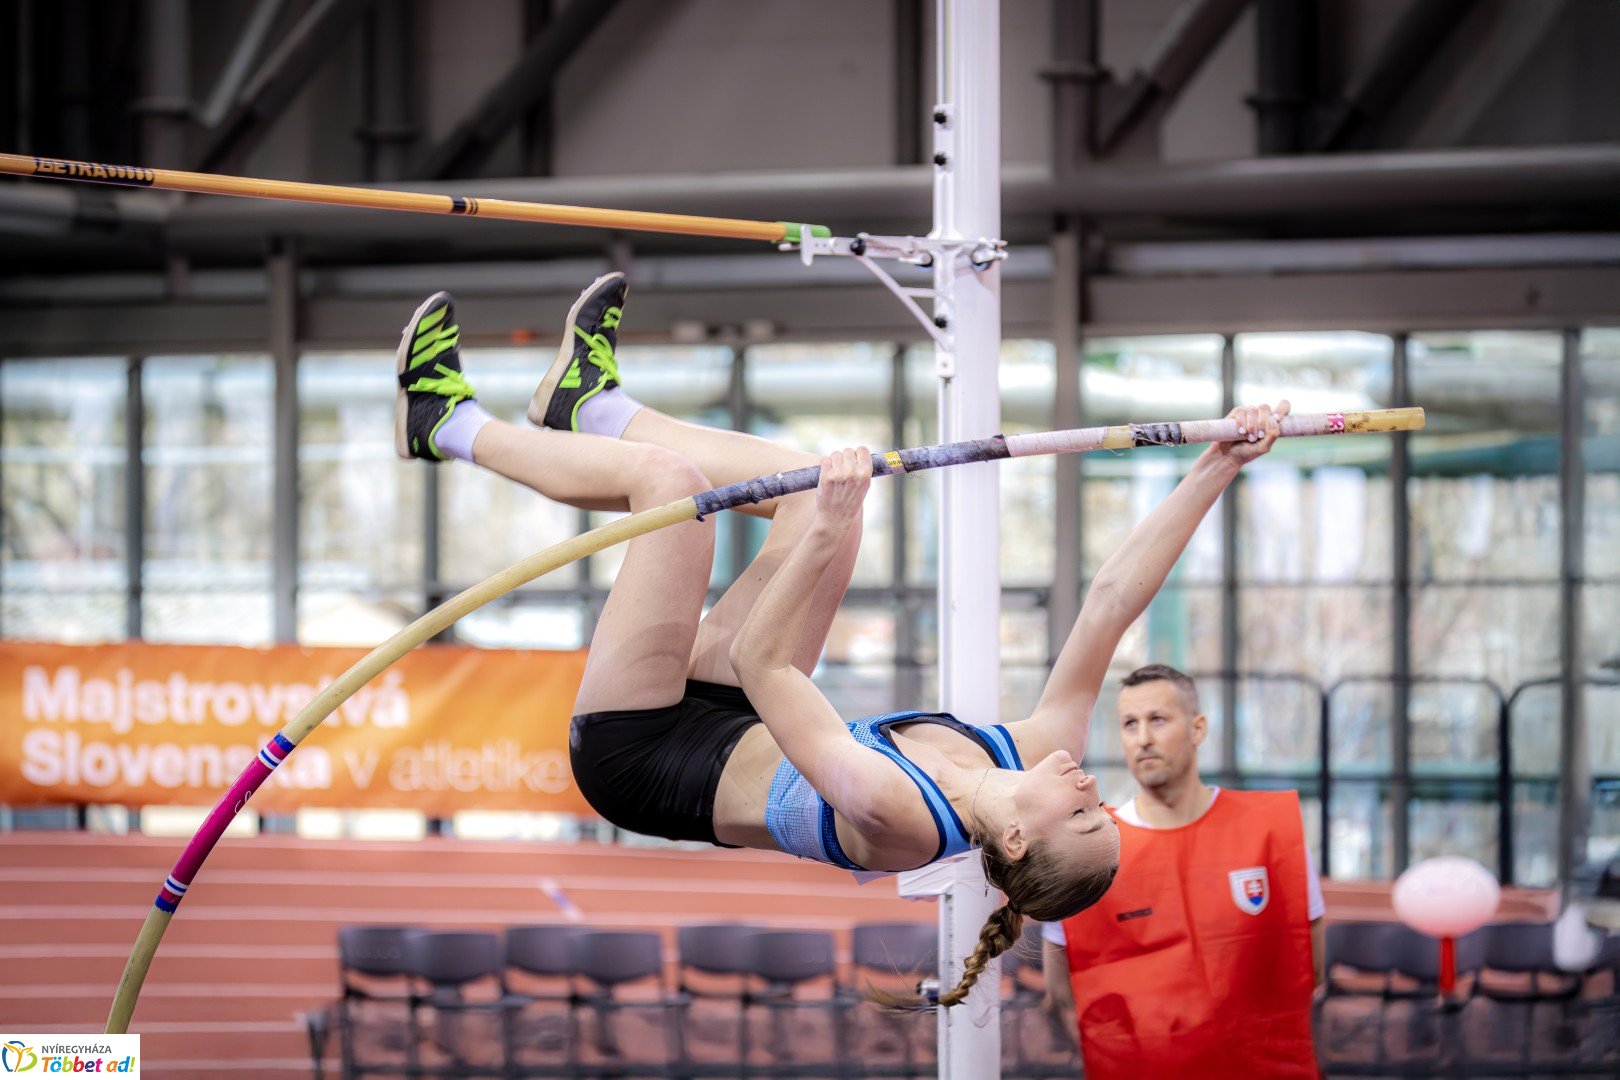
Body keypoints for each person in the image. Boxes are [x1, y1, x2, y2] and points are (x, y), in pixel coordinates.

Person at [394, 272, 1287, 1006]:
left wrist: (824, 530)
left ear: (1016, 840)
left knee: (674, 497)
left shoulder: (896, 819)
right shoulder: (1040, 751)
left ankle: (445, 423)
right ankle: (591, 409)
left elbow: (763, 661)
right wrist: (1215, 467)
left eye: (1085, 814)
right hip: (741, 714)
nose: (1097, 784)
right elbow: (1109, 603)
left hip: (646, 757)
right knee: (806, 488)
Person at [1040, 664, 1325, 1077]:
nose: (1143, 739)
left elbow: (1308, 968)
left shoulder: (1271, 831)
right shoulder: (1088, 851)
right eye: (1129, 724)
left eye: (1157, 719)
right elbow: (1062, 995)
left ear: (1197, 728)